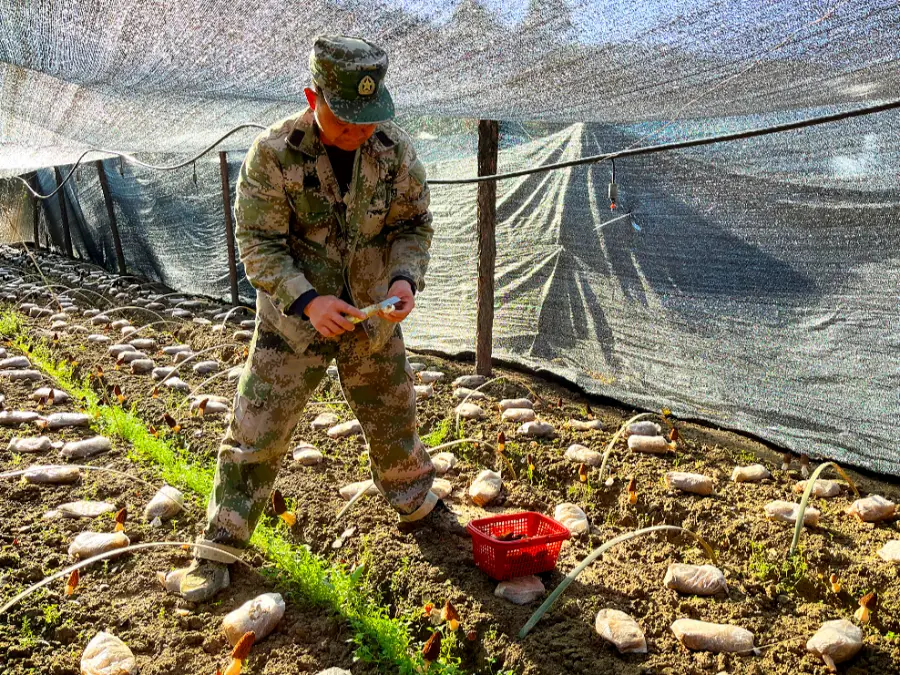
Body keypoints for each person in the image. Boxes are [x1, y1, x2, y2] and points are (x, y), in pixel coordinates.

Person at [177, 36, 449, 602]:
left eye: (367, 120)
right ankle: (221, 544)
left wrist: (403, 279)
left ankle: (415, 502)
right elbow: (258, 242)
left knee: (394, 412)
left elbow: (414, 225)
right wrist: (307, 301)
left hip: (371, 313)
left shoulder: (392, 149)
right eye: (346, 120)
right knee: (257, 429)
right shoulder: (274, 153)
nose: (358, 132)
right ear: (312, 96)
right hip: (293, 322)